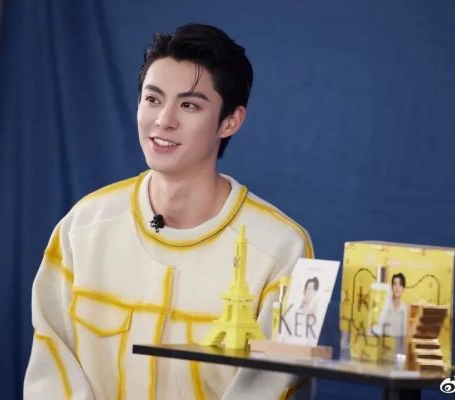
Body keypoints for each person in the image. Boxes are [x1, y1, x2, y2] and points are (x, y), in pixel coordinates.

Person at [23, 24, 313, 400]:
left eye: (189, 105)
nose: (164, 120)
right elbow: (52, 368)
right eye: (152, 99)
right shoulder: (82, 227)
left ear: (230, 121)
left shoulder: (284, 249)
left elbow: (277, 388)